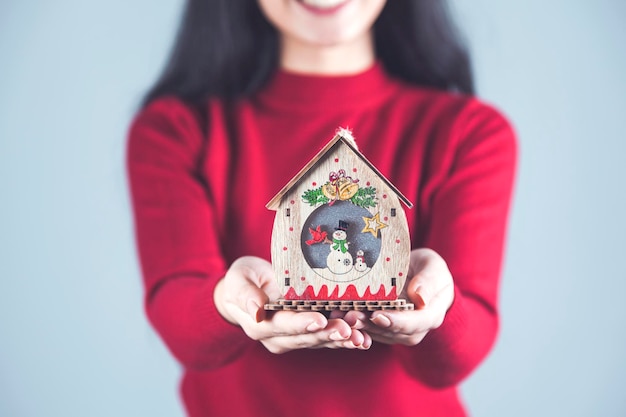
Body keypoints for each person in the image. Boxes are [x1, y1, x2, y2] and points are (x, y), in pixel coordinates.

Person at [127, 1, 517, 416]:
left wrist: (438, 306)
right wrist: (226, 303)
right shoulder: (176, 130)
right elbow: (179, 313)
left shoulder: (468, 133)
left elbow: (458, 353)